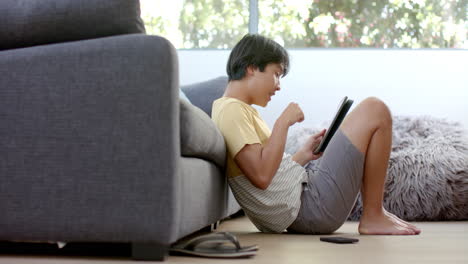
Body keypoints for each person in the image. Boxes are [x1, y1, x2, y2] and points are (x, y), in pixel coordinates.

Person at [211, 34, 421, 235]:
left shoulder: (239, 110)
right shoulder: (230, 110)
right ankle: (374, 215)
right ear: (252, 68)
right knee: (375, 109)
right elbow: (262, 176)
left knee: (372, 111)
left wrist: (302, 155)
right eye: (276, 73)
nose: (278, 85)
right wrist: (282, 122)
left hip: (305, 203)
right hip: (309, 207)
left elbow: (269, 176)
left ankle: (375, 213)